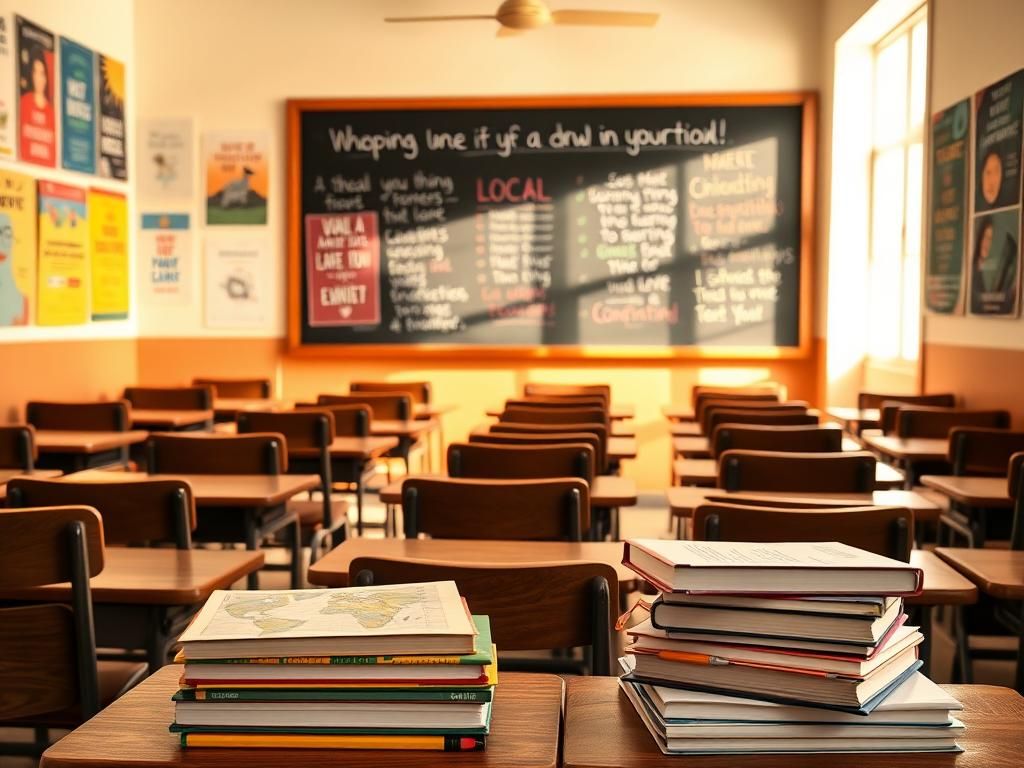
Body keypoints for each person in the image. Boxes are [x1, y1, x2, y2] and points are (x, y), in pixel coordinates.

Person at [970, 215, 1018, 314]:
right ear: (980, 237)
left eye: (990, 239)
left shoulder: (986, 270)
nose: (987, 244)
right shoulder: (973, 271)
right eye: (986, 237)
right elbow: (980, 306)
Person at [18, 45, 55, 165]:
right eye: (35, 72)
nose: (39, 78)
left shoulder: (51, 112)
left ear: (46, 77)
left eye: (42, 73)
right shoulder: (23, 102)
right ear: (31, 74)